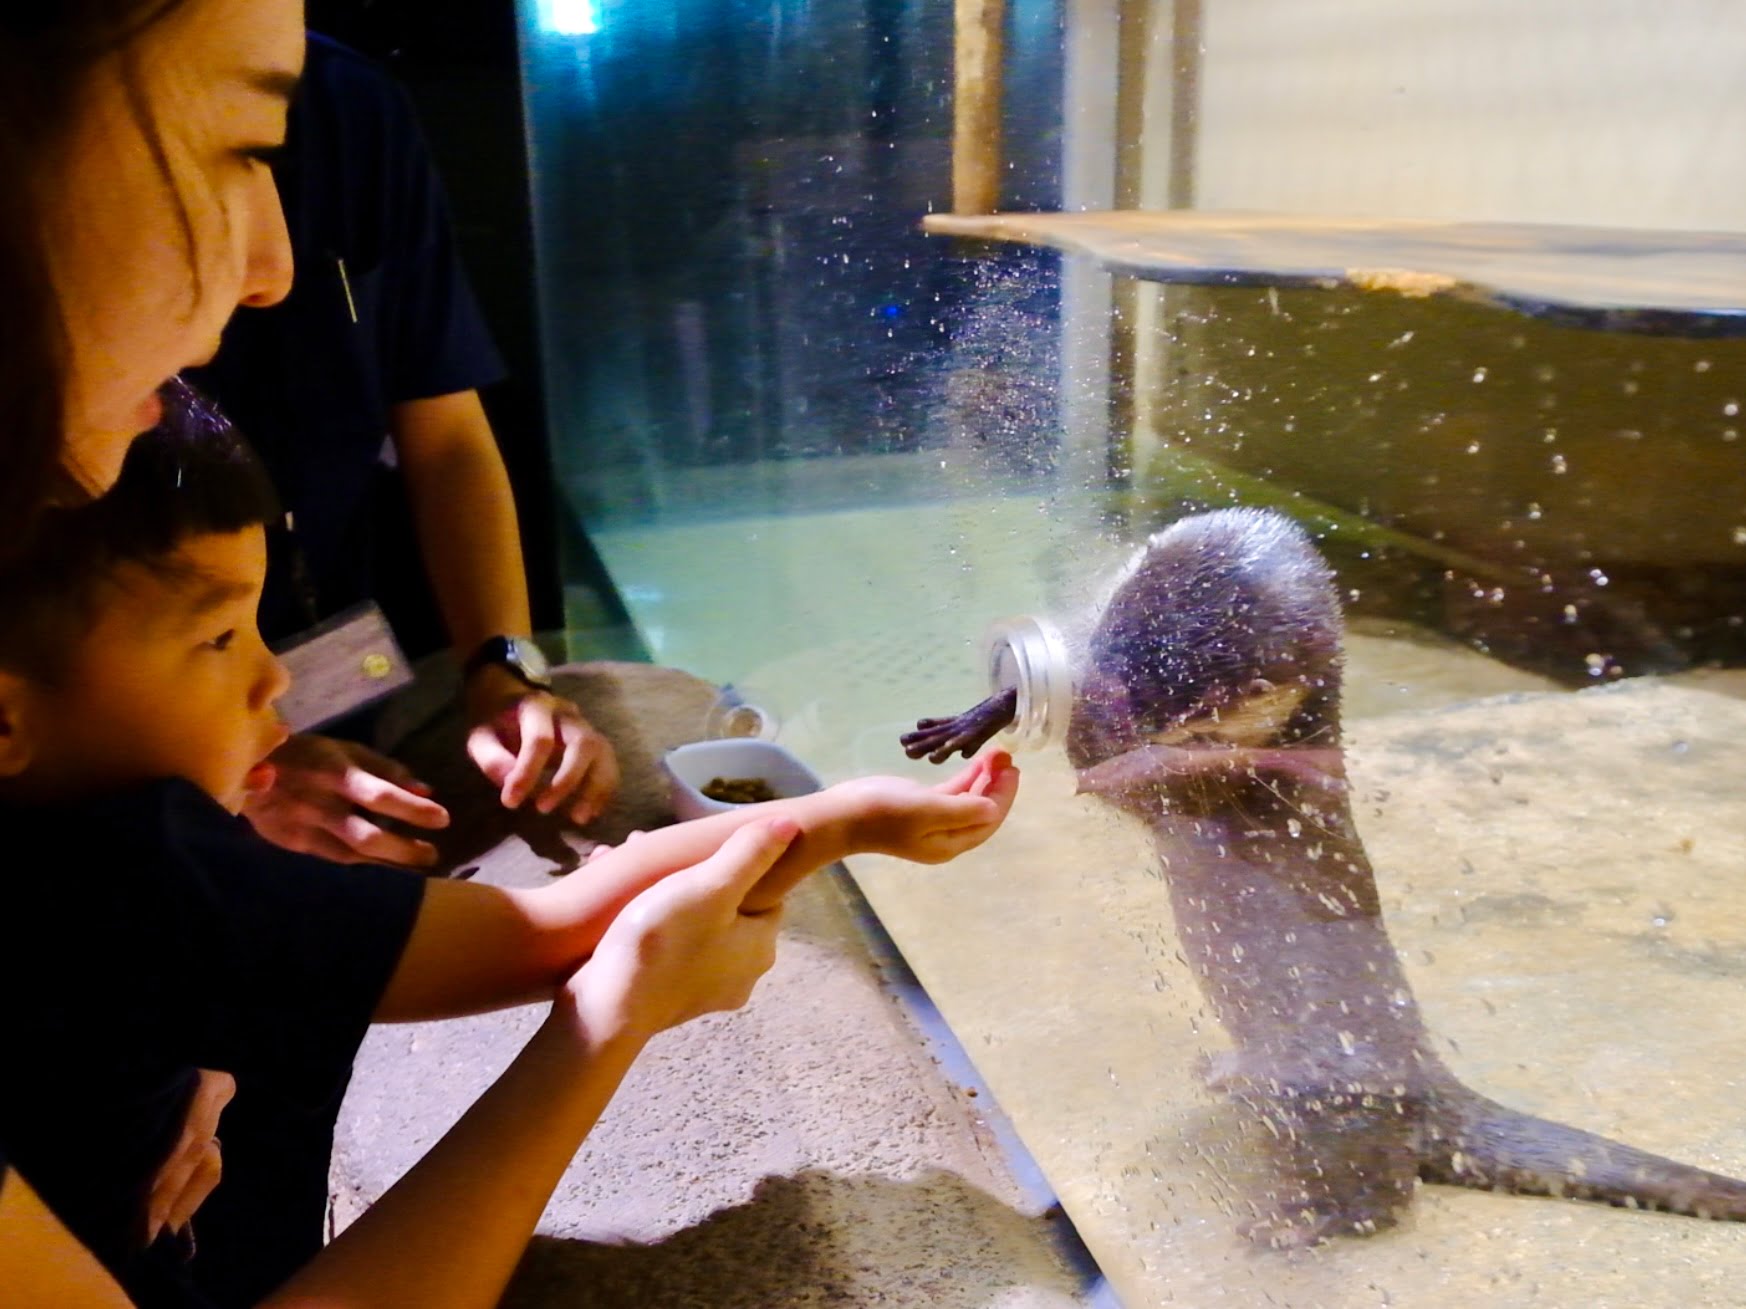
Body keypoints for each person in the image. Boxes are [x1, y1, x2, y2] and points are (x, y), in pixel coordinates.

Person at [0, 2, 1021, 1305]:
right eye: (241, 148)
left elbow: (546, 911)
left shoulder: (152, 882)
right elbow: (555, 932)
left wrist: (846, 814)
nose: (269, 267)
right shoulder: (146, 880)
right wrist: (614, 1019)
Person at [194, 32, 617, 870]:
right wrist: (212, 768)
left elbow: (448, 436)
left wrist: (506, 666)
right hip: (129, 738)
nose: (272, 271)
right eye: (235, 160)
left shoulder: (351, 104)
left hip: (329, 665)